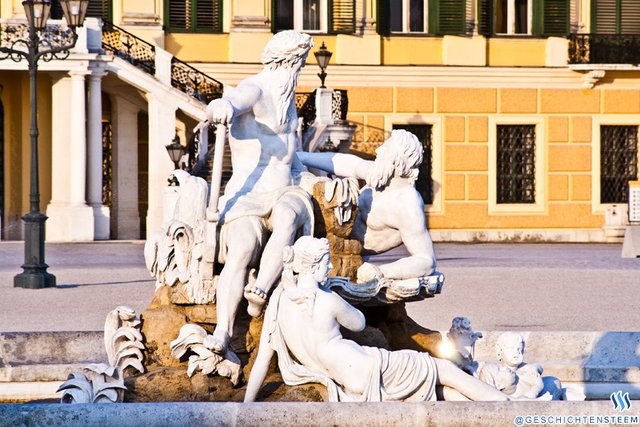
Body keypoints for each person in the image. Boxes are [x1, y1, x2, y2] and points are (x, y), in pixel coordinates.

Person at [244, 236, 518, 402]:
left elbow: (262, 361)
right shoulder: (326, 300)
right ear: (313, 266)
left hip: (347, 378)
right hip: (367, 367)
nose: (329, 267)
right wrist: (334, 291)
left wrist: (245, 406)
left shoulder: (280, 300)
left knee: (433, 389)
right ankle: (511, 408)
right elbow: (359, 323)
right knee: (442, 369)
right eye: (326, 263)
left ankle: (487, 410)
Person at [204, 31, 315, 354]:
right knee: (241, 248)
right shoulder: (255, 89)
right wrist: (220, 107)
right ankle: (223, 331)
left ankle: (260, 292)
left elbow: (292, 156)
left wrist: (310, 176)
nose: (301, 70)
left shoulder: (288, 101)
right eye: (301, 63)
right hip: (249, 193)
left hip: (286, 188)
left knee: (287, 217)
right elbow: (230, 102)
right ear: (288, 61)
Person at [297, 129, 436, 283]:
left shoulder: (407, 203)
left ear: (397, 160)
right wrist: (300, 157)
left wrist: (380, 271)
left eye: (386, 148)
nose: (378, 150)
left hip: (339, 251)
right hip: (323, 231)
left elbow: (426, 260)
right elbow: (345, 162)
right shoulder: (381, 176)